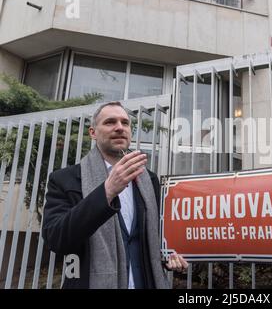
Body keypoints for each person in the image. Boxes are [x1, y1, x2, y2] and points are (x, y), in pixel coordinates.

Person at [42, 101, 188, 289]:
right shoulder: (64, 180)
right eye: (110, 122)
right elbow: (57, 240)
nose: (119, 127)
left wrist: (171, 259)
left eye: (125, 123)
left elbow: (156, 240)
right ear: (93, 133)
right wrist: (107, 191)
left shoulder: (148, 180)